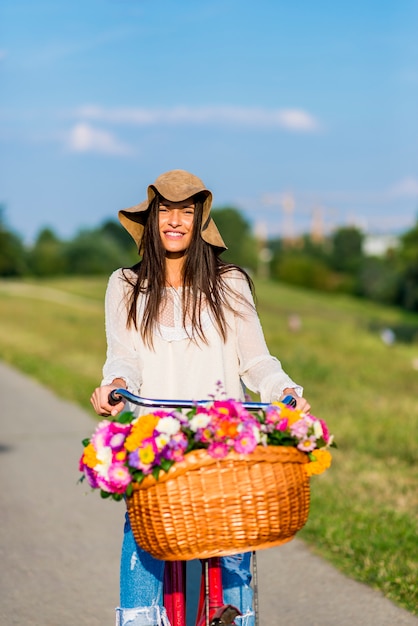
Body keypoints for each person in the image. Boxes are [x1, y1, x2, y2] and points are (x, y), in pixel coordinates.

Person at [90, 169, 311, 626]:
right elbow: (124, 359)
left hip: (222, 442)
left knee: (235, 554)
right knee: (143, 537)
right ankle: (138, 619)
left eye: (184, 212)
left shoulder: (229, 285)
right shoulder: (125, 286)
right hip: (157, 441)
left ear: (198, 220)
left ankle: (238, 617)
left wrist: (284, 391)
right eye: (164, 211)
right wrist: (114, 386)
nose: (174, 221)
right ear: (150, 222)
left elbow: (256, 363)